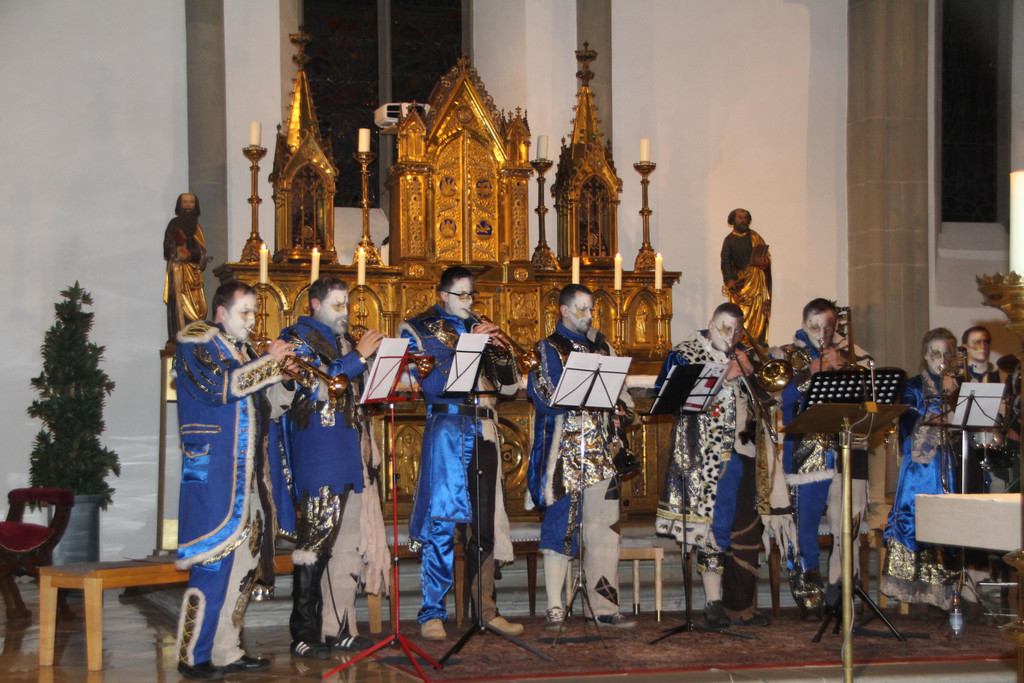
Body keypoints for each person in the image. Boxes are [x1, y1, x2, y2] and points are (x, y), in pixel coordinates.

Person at [173, 281, 294, 681]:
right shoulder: (196, 340)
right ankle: (192, 655)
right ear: (221, 312)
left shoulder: (246, 353)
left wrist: (284, 377)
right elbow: (221, 387)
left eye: (255, 312)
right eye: (244, 312)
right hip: (214, 474)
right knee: (210, 564)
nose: (252, 320)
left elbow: (268, 408)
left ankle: (226, 649)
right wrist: (269, 363)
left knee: (242, 567)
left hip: (248, 478)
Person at [398, 266, 523, 641]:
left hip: (483, 431)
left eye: (472, 294)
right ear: (442, 295)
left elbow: (509, 387)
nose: (469, 301)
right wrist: (471, 346)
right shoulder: (418, 329)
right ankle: (432, 613)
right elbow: (433, 386)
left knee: (483, 525)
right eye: (462, 294)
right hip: (448, 431)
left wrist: (502, 352)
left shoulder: (479, 328)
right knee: (443, 521)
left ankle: (485, 610)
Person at [269, 277, 389, 659]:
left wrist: (377, 367)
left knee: (347, 546)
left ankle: (336, 629)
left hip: (349, 453)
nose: (345, 312)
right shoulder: (297, 338)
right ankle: (303, 634)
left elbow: (360, 394)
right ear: (316, 304)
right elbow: (319, 385)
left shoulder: (345, 343)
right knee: (314, 546)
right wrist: (359, 357)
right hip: (319, 455)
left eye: (347, 304)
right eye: (337, 305)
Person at [527, 284, 636, 630]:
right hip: (565, 452)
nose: (588, 315)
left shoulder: (604, 347)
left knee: (605, 530)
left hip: (603, 452)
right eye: (581, 308)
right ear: (563, 310)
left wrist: (621, 410)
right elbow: (544, 397)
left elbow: (623, 394)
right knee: (559, 528)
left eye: (591, 309)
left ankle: (603, 607)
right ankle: (555, 606)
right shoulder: (547, 347)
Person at [654, 303, 770, 627]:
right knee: (713, 527)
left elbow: (768, 400)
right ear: (710, 323)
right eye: (723, 327)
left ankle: (741, 604)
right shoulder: (685, 353)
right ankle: (712, 601)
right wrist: (721, 377)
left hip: (744, 453)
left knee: (745, 530)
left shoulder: (742, 356)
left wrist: (751, 373)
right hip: (706, 457)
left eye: (736, 330)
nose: (729, 335)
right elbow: (667, 393)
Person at [773, 298, 872, 619]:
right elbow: (777, 399)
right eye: (814, 326)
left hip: (846, 451)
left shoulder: (852, 355)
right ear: (804, 325)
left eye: (827, 326)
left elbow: (870, 398)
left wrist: (842, 368)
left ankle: (841, 588)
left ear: (836, 326)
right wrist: (807, 376)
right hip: (806, 453)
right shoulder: (786, 355)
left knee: (848, 526)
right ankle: (809, 593)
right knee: (805, 527)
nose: (821, 333)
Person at [880, 328, 961, 609]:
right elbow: (906, 422)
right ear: (925, 355)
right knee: (915, 519)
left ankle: (945, 594)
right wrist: (932, 414)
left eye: (946, 354)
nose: (941, 360)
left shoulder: (959, 386)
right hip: (921, 468)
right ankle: (915, 596)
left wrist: (953, 395)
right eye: (935, 353)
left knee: (948, 521)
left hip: (950, 464)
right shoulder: (912, 385)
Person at [720, 208, 771, 345]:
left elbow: (766, 258)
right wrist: (729, 280)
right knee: (739, 315)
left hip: (757, 283)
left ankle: (757, 344)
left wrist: (763, 262)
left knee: (759, 315)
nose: (743, 220)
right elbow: (725, 262)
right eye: (740, 218)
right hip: (740, 284)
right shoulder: (729, 240)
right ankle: (741, 344)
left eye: (745, 218)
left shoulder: (755, 237)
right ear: (733, 220)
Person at [164, 193, 208, 345]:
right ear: (180, 205)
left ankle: (193, 337)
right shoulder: (174, 224)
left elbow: (202, 252)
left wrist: (189, 254)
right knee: (178, 305)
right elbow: (167, 247)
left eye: (191, 202)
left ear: (195, 206)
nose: (188, 205)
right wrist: (176, 252)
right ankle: (178, 337)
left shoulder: (197, 228)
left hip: (193, 274)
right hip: (179, 273)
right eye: (185, 202)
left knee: (197, 308)